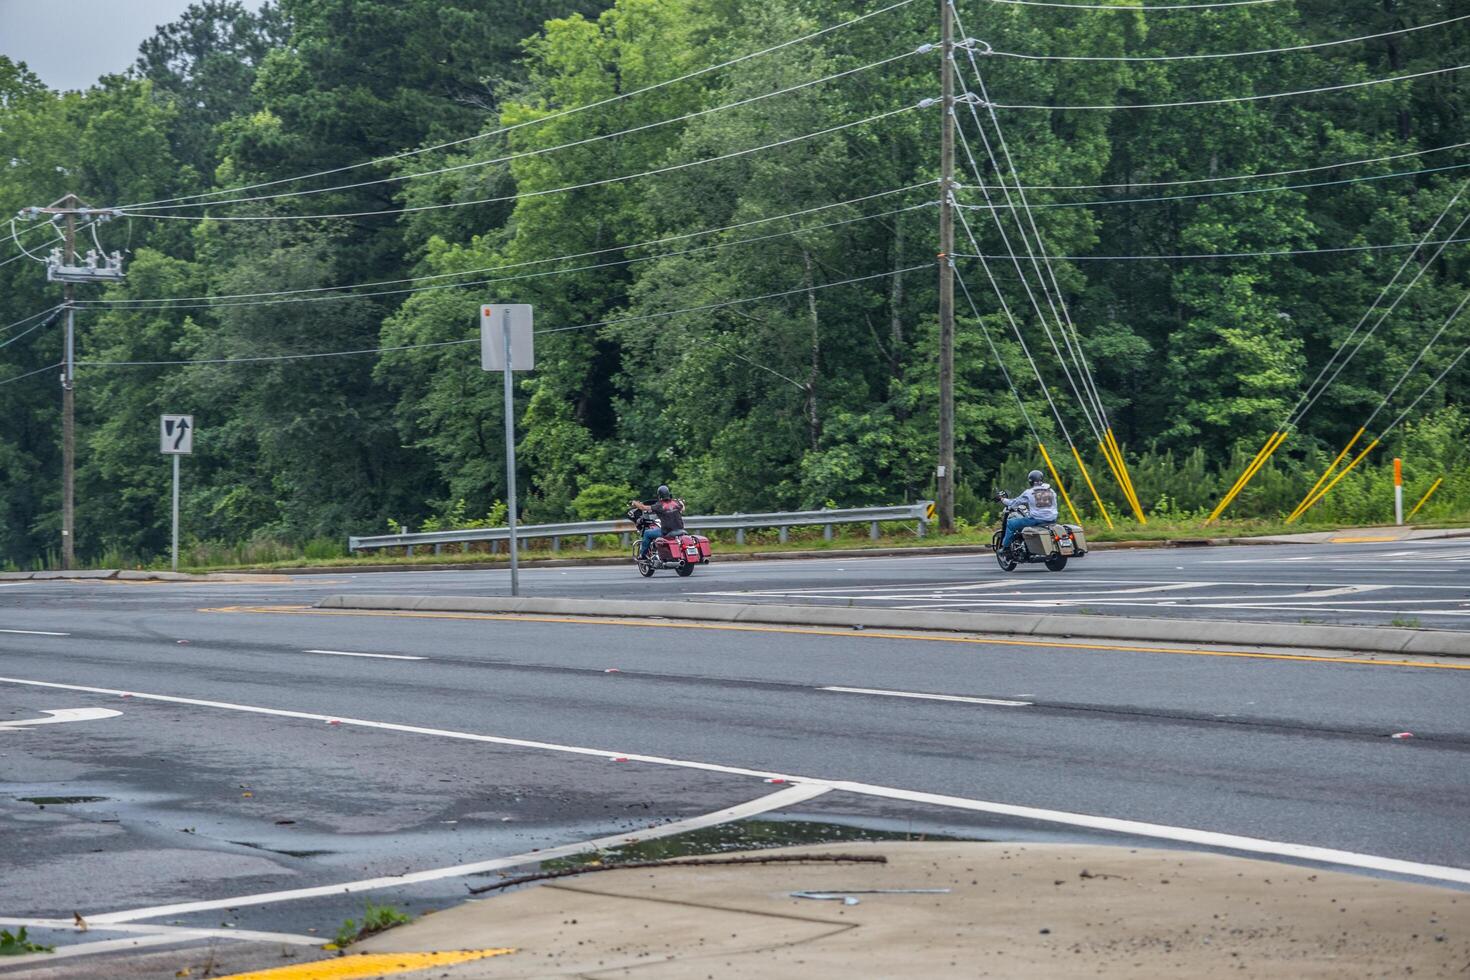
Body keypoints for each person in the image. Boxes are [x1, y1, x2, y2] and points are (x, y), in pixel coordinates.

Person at [997, 470, 1059, 552]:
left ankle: (1006, 549)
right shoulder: (1051, 491)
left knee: (1010, 524)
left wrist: (1002, 499)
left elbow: (1013, 503)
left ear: (1030, 481)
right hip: (1052, 520)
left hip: (1036, 520)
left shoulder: (1029, 493)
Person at [631, 485, 686, 559]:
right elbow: (683, 508)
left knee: (647, 533)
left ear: (659, 495)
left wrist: (635, 502)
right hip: (680, 529)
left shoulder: (659, 505)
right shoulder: (676, 503)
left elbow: (643, 508)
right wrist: (681, 502)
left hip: (667, 532)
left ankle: (642, 555)